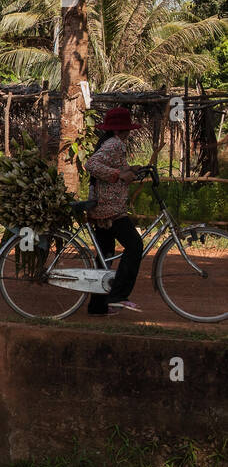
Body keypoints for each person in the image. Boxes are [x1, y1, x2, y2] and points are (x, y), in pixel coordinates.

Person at [84, 106, 145, 314]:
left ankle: (97, 306)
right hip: (109, 209)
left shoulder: (111, 143)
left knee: (105, 255)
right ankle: (118, 295)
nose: (129, 132)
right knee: (135, 245)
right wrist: (119, 174)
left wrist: (131, 170)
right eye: (127, 129)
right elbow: (91, 164)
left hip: (102, 206)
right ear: (120, 130)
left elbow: (113, 169)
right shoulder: (115, 144)